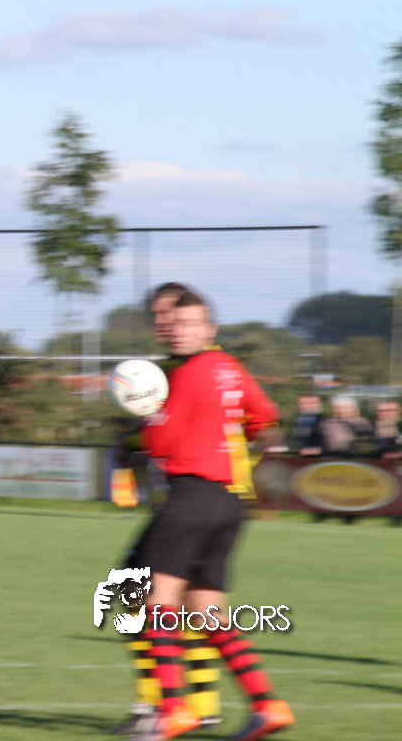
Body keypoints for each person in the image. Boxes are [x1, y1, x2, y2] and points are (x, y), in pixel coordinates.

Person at [127, 290, 293, 741]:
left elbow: (160, 443)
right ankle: (268, 705)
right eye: (172, 323)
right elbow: (265, 414)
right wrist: (232, 436)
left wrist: (144, 416)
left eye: (187, 323)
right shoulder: (228, 366)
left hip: (192, 497)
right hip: (229, 502)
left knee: (154, 603)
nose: (176, 330)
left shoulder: (187, 373)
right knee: (207, 615)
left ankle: (173, 709)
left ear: (208, 329)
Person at [114, 283, 225, 736]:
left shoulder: (196, 369)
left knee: (133, 594)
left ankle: (160, 706)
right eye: (158, 317)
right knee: (189, 606)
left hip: (198, 500)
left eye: (171, 316)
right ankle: (200, 704)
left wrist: (136, 436)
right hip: (195, 501)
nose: (164, 324)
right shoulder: (177, 369)